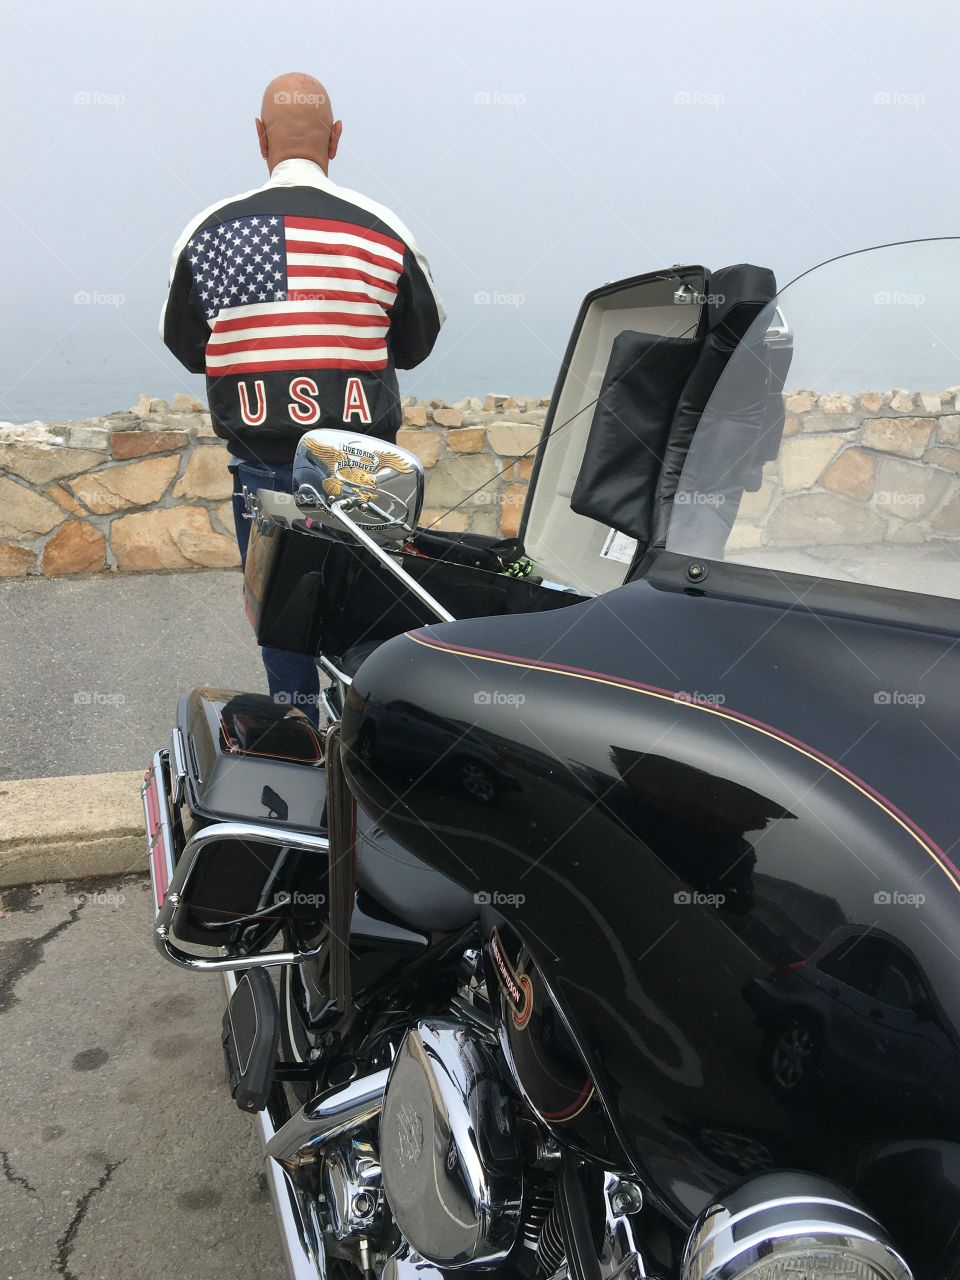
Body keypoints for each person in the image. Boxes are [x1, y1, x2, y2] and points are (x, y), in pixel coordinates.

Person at [161, 72, 445, 723]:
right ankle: (372, 760)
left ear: (260, 138)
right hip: (366, 473)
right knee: (370, 631)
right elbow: (416, 341)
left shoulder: (206, 234)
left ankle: (302, 753)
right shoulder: (384, 231)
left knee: (286, 631)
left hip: (261, 475)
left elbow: (188, 345)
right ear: (335, 139)